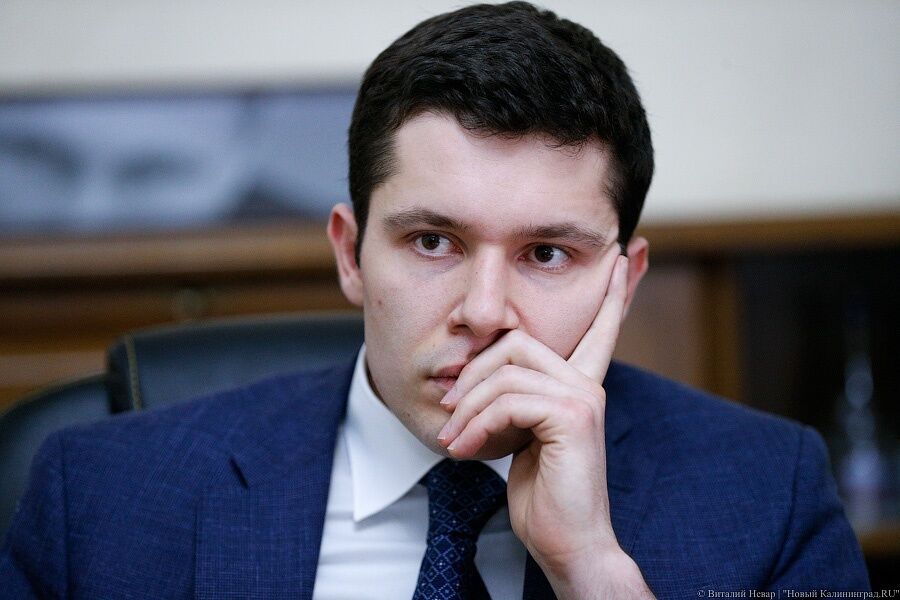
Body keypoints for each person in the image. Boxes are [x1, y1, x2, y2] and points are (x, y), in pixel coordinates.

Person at [0, 2, 869, 598]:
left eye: (547, 254)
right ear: (349, 253)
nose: (484, 311)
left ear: (624, 281)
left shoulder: (767, 495)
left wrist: (593, 571)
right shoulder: (102, 498)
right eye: (432, 241)